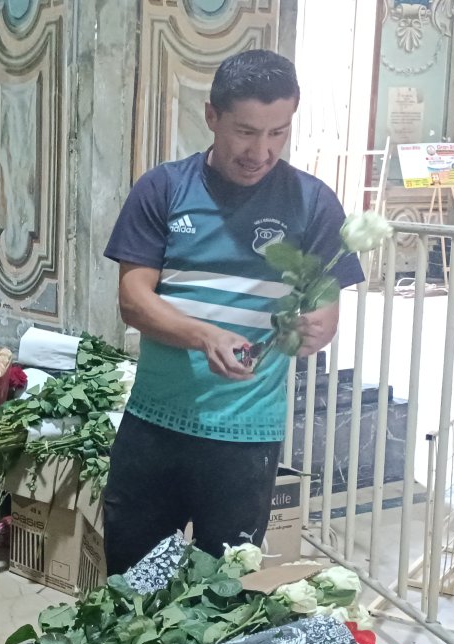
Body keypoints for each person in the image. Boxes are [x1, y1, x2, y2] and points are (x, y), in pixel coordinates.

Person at [101, 50, 364, 573]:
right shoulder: (164, 188)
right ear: (212, 116)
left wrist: (316, 328)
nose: (260, 151)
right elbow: (134, 301)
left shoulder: (313, 203)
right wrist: (204, 336)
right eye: (246, 131)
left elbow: (327, 311)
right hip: (155, 425)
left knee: (223, 595)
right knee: (130, 587)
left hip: (246, 439)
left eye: (277, 133)